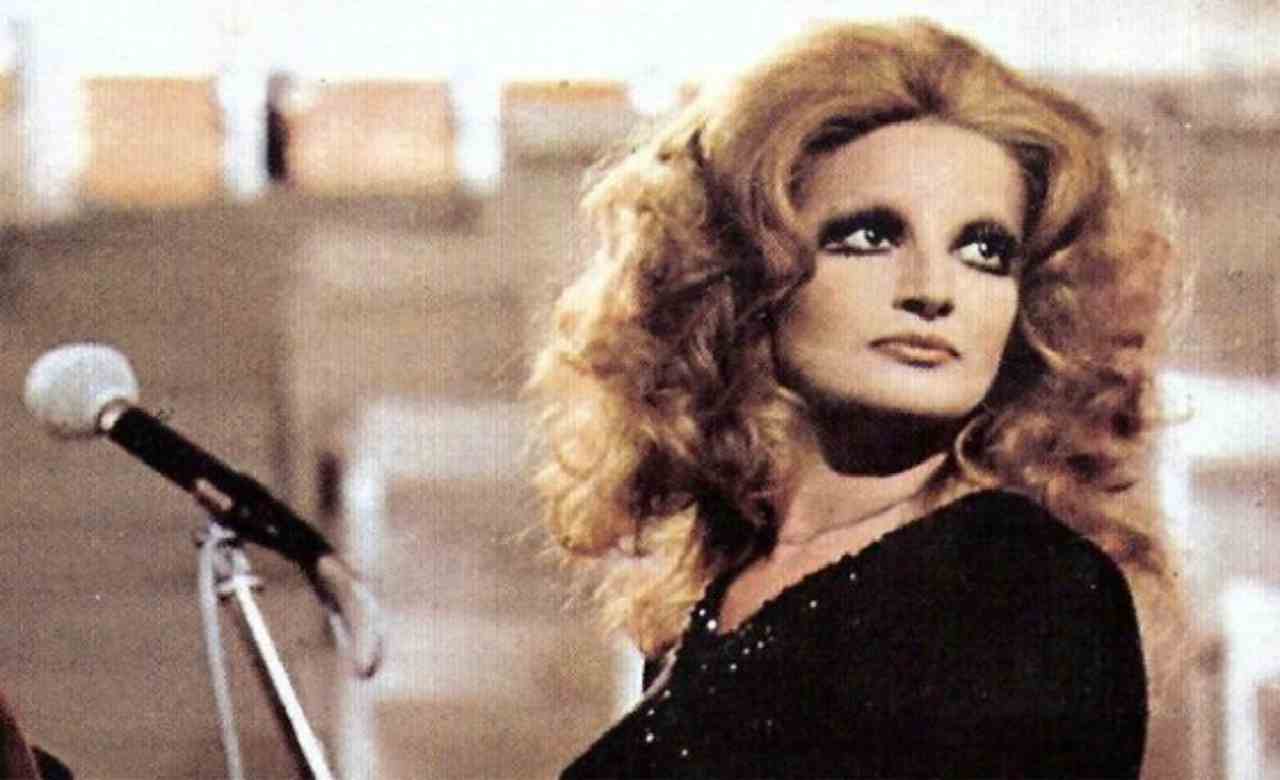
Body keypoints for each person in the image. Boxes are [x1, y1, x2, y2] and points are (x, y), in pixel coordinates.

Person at [528, 18, 1182, 778]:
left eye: (984, 251)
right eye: (871, 237)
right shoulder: (715, 609)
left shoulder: (1023, 589)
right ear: (745, 274)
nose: (933, 291)